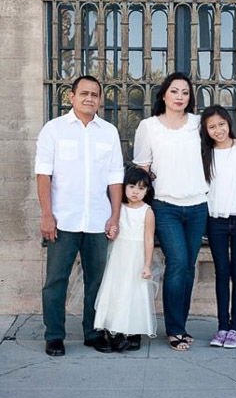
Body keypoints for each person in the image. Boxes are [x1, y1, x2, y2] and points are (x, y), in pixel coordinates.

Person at [35, 75, 124, 356]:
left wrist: (114, 216)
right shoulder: (54, 130)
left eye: (95, 94)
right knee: (56, 280)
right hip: (63, 220)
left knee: (97, 281)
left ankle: (93, 332)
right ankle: (54, 336)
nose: (89, 98)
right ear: (71, 97)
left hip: (98, 220)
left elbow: (115, 178)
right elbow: (43, 174)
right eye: (84, 93)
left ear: (100, 99)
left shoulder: (108, 132)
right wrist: (47, 215)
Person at [133, 72, 208, 351]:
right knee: (177, 262)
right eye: (174, 91)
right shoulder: (149, 126)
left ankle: (181, 325)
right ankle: (174, 329)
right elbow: (141, 166)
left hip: (198, 204)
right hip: (165, 206)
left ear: (190, 98)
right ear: (163, 94)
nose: (179, 97)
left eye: (185, 93)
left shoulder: (199, 125)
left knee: (188, 266)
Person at [200, 105, 236, 349]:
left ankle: (235, 328)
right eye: (212, 127)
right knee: (221, 273)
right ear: (206, 130)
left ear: (228, 123)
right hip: (216, 221)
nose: (218, 130)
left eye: (221, 124)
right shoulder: (205, 153)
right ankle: (222, 326)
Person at [94, 167, 157, 352]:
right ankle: (115, 330)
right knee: (116, 290)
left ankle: (134, 331)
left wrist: (147, 264)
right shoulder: (118, 209)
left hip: (136, 256)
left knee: (135, 292)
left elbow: (148, 238)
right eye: (131, 186)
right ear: (124, 187)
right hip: (118, 255)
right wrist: (111, 232)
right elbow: (112, 230)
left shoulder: (147, 211)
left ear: (147, 191)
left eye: (141, 188)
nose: (136, 192)